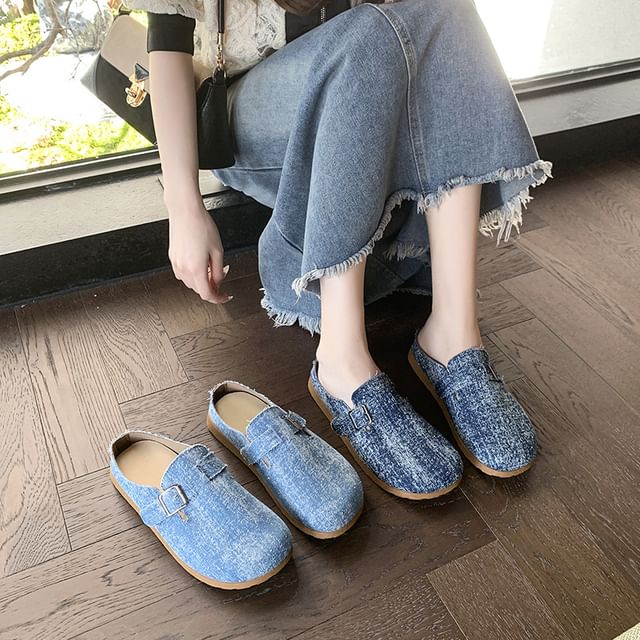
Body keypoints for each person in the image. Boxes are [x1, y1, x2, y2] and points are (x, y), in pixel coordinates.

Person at [133, 0, 553, 497]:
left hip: (367, 77)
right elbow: (167, 36)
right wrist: (183, 206)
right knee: (367, 37)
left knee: (446, 10)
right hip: (247, 105)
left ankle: (453, 335)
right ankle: (340, 361)